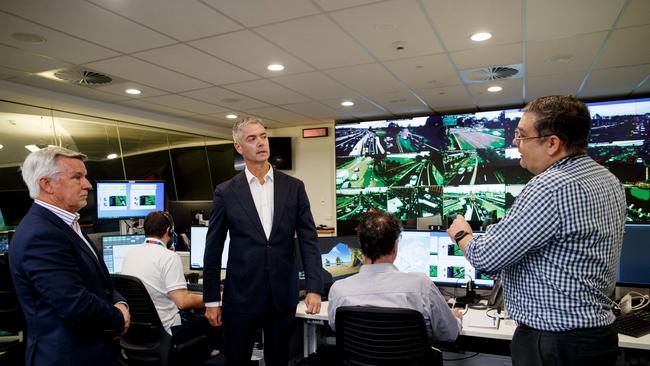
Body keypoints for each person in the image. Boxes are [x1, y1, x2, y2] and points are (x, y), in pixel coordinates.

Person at [447, 95, 626, 366]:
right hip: (597, 336)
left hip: (553, 343)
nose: (516, 144)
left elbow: (488, 259)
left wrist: (463, 234)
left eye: (521, 136)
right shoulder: (608, 180)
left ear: (552, 143)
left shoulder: (549, 186)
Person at [203, 117, 323, 366]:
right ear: (239, 147)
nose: (260, 143)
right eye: (252, 138)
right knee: (236, 359)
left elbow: (309, 240)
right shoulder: (226, 192)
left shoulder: (294, 187)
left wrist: (314, 288)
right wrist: (212, 300)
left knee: (279, 360)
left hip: (282, 295)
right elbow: (212, 250)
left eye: (263, 136)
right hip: (241, 295)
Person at [9, 147, 130, 366]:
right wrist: (118, 317)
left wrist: (120, 302)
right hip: (69, 357)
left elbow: (100, 283)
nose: (88, 184)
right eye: (77, 177)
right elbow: (75, 303)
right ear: (47, 184)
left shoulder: (67, 222)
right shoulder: (40, 233)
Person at [328, 210, 462, 343]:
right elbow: (449, 334)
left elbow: (336, 328)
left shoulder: (339, 291)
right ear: (395, 247)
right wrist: (455, 319)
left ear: (361, 247)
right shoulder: (422, 287)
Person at [121, 211, 222, 362]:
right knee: (213, 318)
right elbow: (182, 301)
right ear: (169, 231)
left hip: (137, 333)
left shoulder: (130, 254)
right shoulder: (168, 257)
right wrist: (215, 298)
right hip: (167, 331)